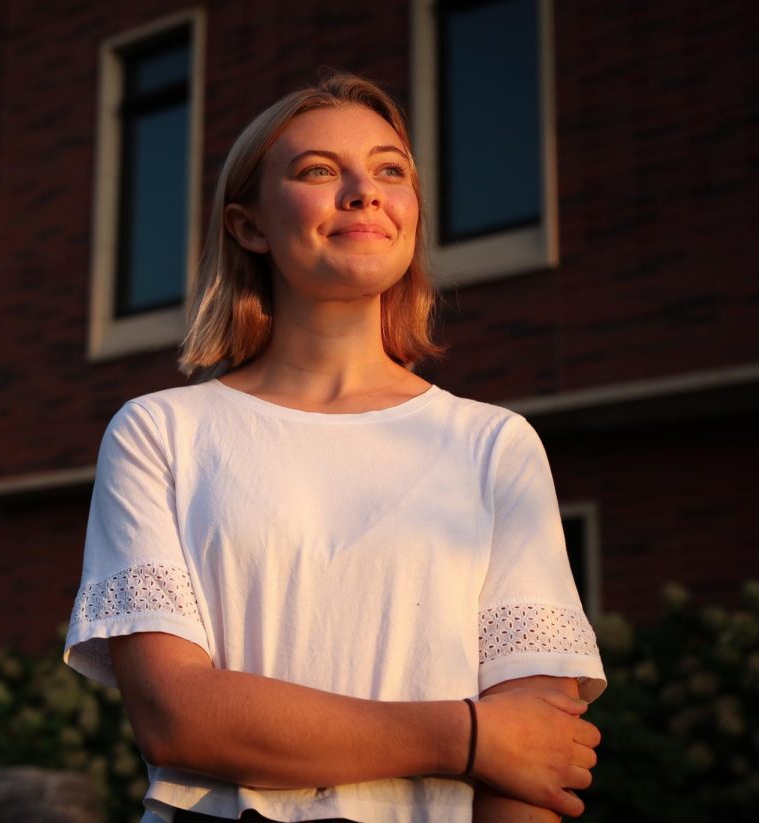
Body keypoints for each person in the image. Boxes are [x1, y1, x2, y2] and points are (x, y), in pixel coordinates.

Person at [64, 71, 605, 823]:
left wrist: (500, 745)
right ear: (248, 225)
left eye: (391, 169)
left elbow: (537, 759)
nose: (364, 191)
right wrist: (467, 734)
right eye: (319, 171)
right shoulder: (161, 433)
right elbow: (179, 716)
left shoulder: (494, 446)